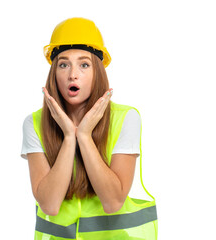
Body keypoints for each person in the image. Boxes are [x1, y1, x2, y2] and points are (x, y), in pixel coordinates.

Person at [21, 17, 157, 240]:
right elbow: (50, 205)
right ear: (54, 73)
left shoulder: (125, 118)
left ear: (98, 72)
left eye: (84, 64)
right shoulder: (34, 123)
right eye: (63, 64)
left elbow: (113, 202)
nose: (72, 74)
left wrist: (84, 136)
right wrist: (68, 137)